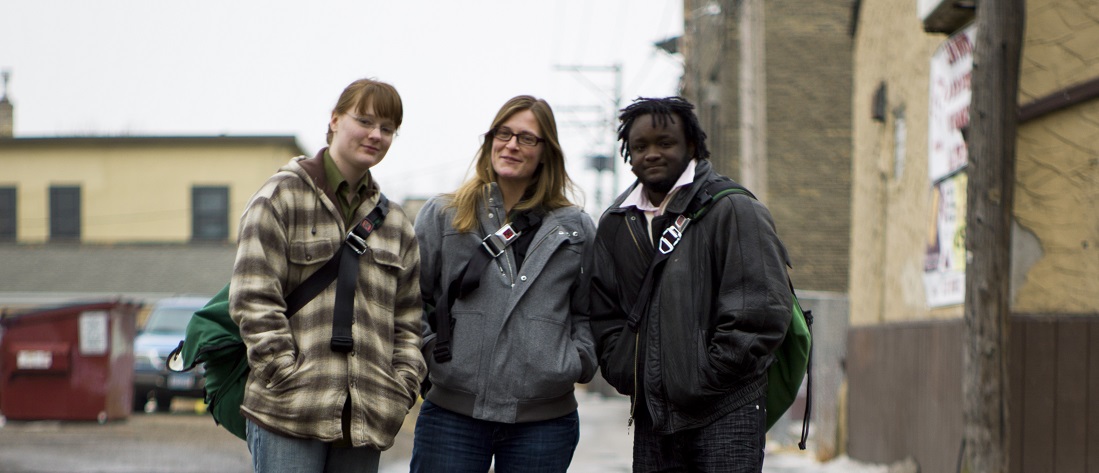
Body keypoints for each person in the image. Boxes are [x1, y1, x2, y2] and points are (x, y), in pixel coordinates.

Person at [229, 78, 425, 473]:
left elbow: (408, 322)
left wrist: (400, 386)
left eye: (388, 129)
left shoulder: (396, 224)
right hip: (289, 411)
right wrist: (283, 373)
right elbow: (252, 297)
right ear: (335, 120)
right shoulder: (281, 197)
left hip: (366, 417)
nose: (376, 135)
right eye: (365, 121)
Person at [588, 96, 793, 472]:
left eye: (665, 143)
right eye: (640, 146)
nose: (651, 154)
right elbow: (603, 311)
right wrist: (628, 368)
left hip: (727, 409)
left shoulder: (732, 208)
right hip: (653, 415)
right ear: (627, 154)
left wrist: (704, 377)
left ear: (692, 146)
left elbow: (762, 311)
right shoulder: (617, 224)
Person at [410, 95, 597, 473]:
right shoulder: (443, 215)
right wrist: (430, 351)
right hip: (451, 415)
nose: (511, 145)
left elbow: (591, 309)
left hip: (545, 422)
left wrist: (576, 360)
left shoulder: (575, 228)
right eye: (504, 133)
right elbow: (406, 300)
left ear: (546, 152)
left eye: (527, 138)